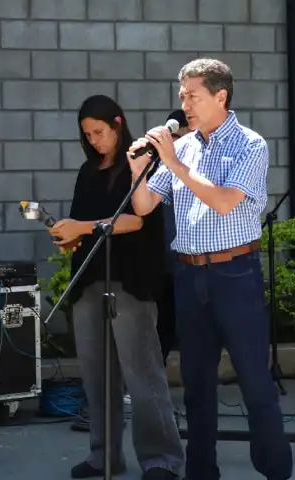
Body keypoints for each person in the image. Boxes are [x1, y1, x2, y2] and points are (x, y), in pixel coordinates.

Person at [127, 58, 293, 480]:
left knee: (255, 382)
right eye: (182, 96)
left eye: (193, 96)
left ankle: (276, 470)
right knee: (197, 388)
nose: (185, 104)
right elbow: (145, 206)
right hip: (189, 275)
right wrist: (138, 170)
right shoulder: (180, 147)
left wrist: (175, 163)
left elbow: (222, 201)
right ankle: (202, 472)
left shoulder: (250, 145)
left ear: (221, 96)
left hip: (234, 273)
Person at [48, 94, 184, 480]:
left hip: (131, 280)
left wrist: (85, 228)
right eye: (87, 134)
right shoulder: (87, 172)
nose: (94, 140)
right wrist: (69, 235)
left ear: (118, 123)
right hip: (91, 278)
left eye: (99, 131)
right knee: (95, 375)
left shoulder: (140, 162)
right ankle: (103, 454)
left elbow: (136, 220)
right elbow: (81, 221)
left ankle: (162, 459)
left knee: (142, 374)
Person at [156, 109, 192, 365]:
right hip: (160, 263)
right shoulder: (156, 167)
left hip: (193, 263)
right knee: (160, 328)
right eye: (176, 138)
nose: (182, 144)